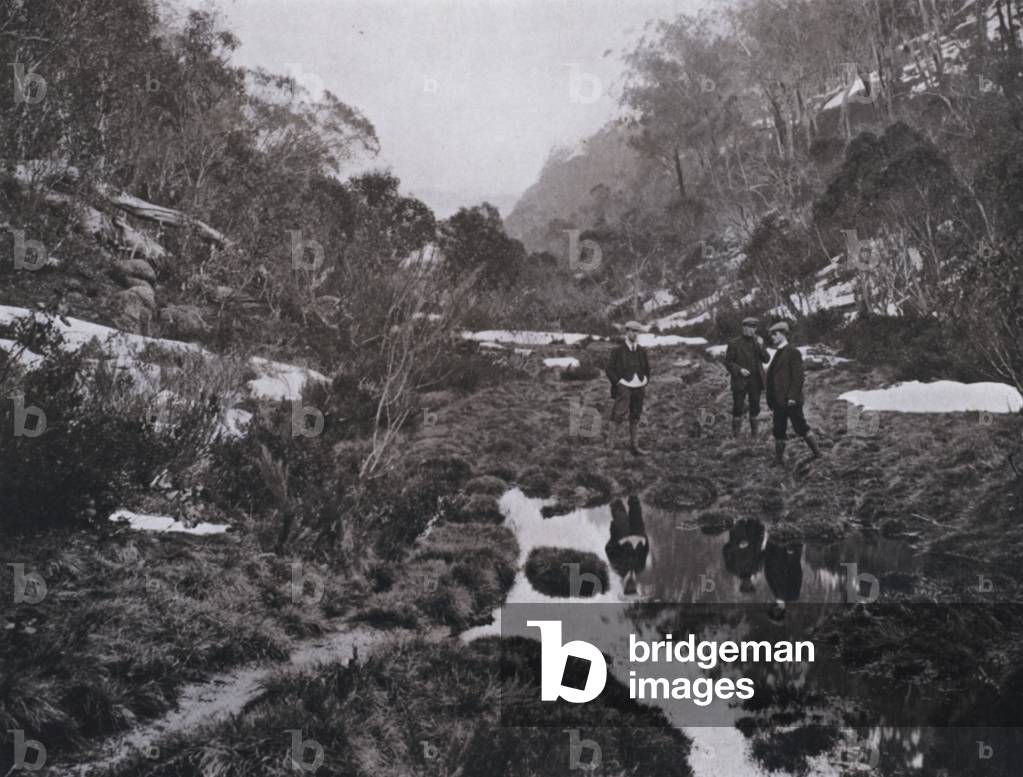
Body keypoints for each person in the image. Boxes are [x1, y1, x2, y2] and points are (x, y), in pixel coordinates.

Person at [765, 321, 822, 466]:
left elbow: (798, 377)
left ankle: (818, 454)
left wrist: (792, 397)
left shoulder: (792, 352)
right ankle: (779, 460)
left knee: (800, 427)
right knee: (778, 429)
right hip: (778, 400)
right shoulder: (778, 352)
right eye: (772, 334)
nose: (772, 337)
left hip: (790, 400)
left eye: (775, 334)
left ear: (783, 334)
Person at [605, 321, 650, 456]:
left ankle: (634, 447)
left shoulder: (642, 351)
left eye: (637, 331)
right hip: (624, 386)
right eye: (632, 331)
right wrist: (618, 382)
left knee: (636, 415)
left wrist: (645, 380)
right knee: (618, 414)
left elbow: (647, 368)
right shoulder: (617, 351)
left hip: (639, 386)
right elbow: (609, 369)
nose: (635, 334)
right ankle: (610, 446)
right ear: (626, 332)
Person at [724, 317, 771, 439]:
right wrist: (739, 370)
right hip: (740, 381)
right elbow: (728, 362)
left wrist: (761, 346)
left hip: (755, 381)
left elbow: (766, 359)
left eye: (754, 328)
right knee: (738, 408)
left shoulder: (758, 342)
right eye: (750, 327)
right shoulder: (734, 343)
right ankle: (736, 438)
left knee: (755, 408)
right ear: (744, 328)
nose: (752, 330)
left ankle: (754, 437)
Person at [605, 495, 649, 596]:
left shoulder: (617, 568)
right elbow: (645, 550)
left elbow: (608, 548)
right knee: (635, 507)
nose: (631, 587)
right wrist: (644, 539)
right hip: (638, 533)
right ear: (636, 587)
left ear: (624, 587)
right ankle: (633, 489)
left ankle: (613, 489)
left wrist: (621, 541)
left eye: (628, 589)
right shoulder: (640, 567)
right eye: (633, 589)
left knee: (617, 508)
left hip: (622, 534)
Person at [722, 517, 766, 594]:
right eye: (749, 585)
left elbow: (726, 550)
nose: (747, 583)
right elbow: (765, 553)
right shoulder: (757, 568)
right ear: (752, 584)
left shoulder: (731, 568)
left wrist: (738, 545)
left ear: (741, 584)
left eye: (745, 585)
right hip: (756, 528)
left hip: (738, 528)